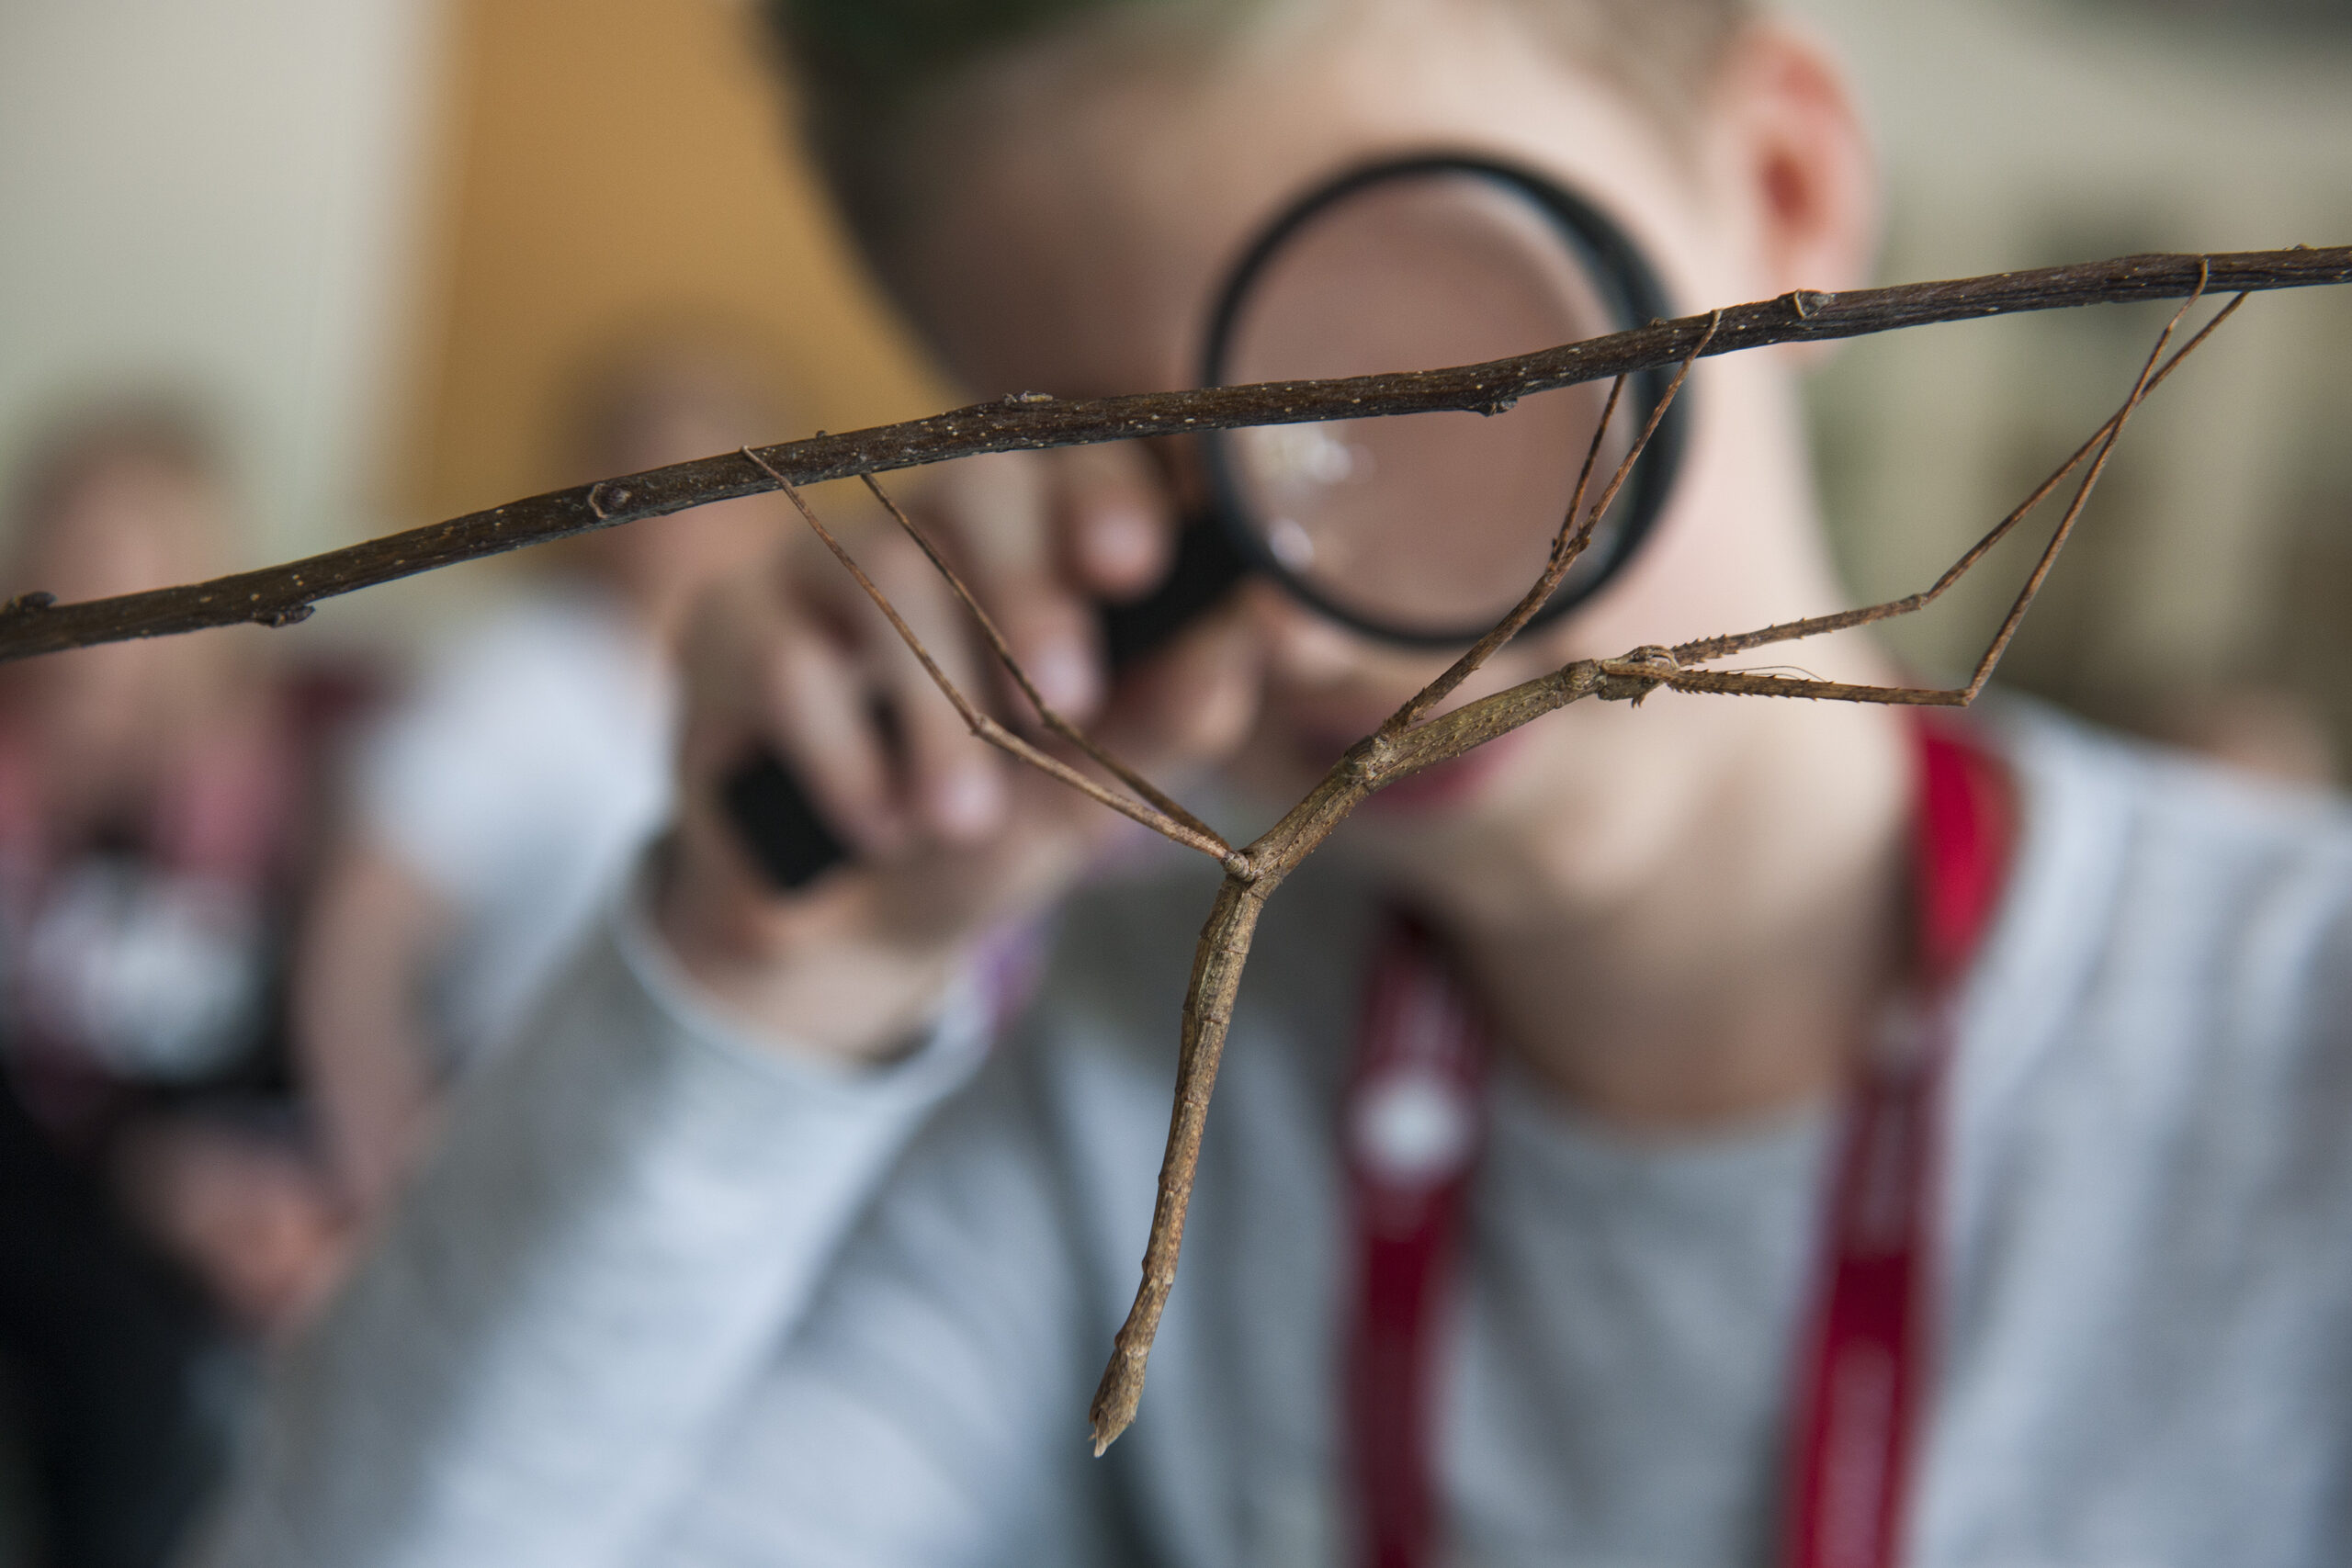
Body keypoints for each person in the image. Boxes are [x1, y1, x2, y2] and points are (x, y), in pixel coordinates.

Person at [200, 4, 2352, 1566]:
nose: (1312, 628)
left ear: (1778, 192)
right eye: (1150, 477)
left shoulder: (2291, 1037)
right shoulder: (1106, 1089)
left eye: (1428, 399)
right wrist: (771, 964)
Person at [291, 332, 793, 1220]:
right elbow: (361, 935)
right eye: (663, 481)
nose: (691, 515)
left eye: (726, 482)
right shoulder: (525, 681)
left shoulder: (783, 698)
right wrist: (384, 1164)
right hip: (515, 1163)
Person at [0, 403, 352, 1568]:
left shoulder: (269, 785)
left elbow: (286, 1020)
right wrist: (135, 1172)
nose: (100, 604)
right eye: (73, 563)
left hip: (191, 1155)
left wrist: (275, 1177)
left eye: (141, 576)